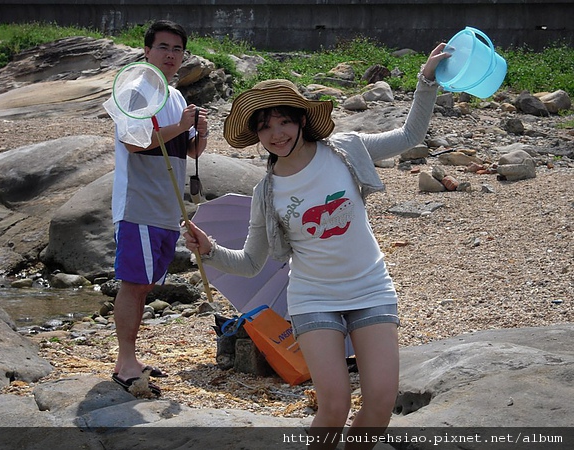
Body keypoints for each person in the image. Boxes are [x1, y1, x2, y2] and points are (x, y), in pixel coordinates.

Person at [185, 43, 448, 446]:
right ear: (256, 134)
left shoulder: (345, 150)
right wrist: (209, 250)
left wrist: (426, 79)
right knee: (334, 406)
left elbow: (411, 134)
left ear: (301, 120)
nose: (276, 134)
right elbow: (252, 262)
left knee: (379, 402)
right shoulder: (266, 194)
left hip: (370, 288)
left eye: (284, 121)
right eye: (265, 126)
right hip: (314, 298)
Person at [110, 20, 208, 397]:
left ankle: (127, 361)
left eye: (177, 49)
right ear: (146, 50)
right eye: (163, 47)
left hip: (167, 204)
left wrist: (199, 130)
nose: (170, 55)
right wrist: (179, 126)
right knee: (134, 284)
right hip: (139, 203)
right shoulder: (135, 92)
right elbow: (133, 142)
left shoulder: (175, 96)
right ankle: (127, 361)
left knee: (146, 282)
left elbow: (190, 151)